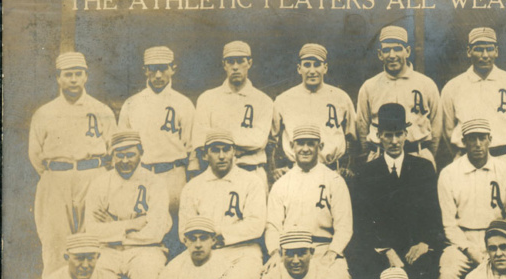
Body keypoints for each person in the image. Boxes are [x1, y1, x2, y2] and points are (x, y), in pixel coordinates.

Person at [29, 52, 116, 276]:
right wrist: (56, 174)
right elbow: (35, 154)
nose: (74, 79)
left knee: (92, 237)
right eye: (68, 75)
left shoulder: (101, 110)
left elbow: (113, 149)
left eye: (79, 74)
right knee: (55, 240)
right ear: (58, 78)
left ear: (86, 76)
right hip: (56, 179)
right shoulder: (45, 113)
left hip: (93, 175)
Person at [353, 103, 443, 279]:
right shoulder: (367, 173)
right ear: (379, 136)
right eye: (388, 135)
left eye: (399, 134)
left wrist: (424, 243)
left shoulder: (423, 168)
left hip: (415, 251)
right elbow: (363, 222)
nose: (394, 141)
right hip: (381, 252)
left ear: (405, 134)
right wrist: (386, 250)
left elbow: (434, 217)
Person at [437, 119, 506, 279]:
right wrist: (469, 249)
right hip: (461, 242)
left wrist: (499, 245)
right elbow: (449, 225)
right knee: (447, 278)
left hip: (499, 238)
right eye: (472, 139)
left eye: (482, 138)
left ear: (490, 140)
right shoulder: (449, 174)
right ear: (463, 142)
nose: (477, 144)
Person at [266, 124, 352, 279]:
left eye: (310, 144)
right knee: (269, 278)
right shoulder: (282, 184)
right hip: (291, 252)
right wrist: (275, 253)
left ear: (319, 147)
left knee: (339, 275)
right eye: (300, 144)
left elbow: (344, 226)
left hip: (323, 248)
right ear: (292, 146)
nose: (305, 149)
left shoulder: (334, 180)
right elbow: (273, 225)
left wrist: (332, 254)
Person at [84, 130, 171, 279]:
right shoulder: (99, 183)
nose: (125, 161)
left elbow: (155, 232)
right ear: (112, 155)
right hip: (108, 249)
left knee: (148, 273)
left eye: (131, 155)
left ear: (141, 153)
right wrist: (131, 225)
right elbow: (91, 231)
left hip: (146, 249)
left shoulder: (155, 183)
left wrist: (112, 228)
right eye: (119, 155)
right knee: (98, 276)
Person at [118, 46, 195, 251]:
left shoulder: (183, 103)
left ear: (173, 69)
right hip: (142, 175)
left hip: (174, 174)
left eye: (163, 68)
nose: (158, 75)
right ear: (145, 70)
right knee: (143, 232)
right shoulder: (132, 104)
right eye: (153, 69)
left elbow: (191, 147)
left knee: (175, 234)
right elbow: (122, 147)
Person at [440, 27, 506, 188]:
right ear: (469, 51)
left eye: (489, 49)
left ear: (496, 51)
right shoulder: (453, 87)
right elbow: (448, 131)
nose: (485, 55)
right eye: (479, 50)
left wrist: (505, 150)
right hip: (467, 162)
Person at [179, 130, 267, 267]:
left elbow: (256, 225)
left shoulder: (252, 181)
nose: (221, 156)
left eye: (226, 150)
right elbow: (184, 230)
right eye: (215, 151)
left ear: (234, 152)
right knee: (173, 275)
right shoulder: (192, 187)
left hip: (243, 249)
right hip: (204, 251)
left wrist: (221, 234)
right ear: (205, 155)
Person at [270, 43, 357, 180]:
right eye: (307, 65)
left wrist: (348, 167)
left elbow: (352, 137)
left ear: (325, 68)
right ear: (299, 68)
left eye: (317, 64)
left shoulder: (341, 97)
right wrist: (275, 168)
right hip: (295, 172)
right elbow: (271, 140)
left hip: (333, 171)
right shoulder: (283, 100)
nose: (312, 70)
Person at [357, 26, 441, 167]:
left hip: (417, 154)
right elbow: (362, 127)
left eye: (397, 49)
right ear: (380, 54)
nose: (392, 55)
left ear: (407, 51)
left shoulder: (426, 84)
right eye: (386, 50)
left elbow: (437, 128)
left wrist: (426, 153)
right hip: (380, 157)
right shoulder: (369, 86)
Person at [191, 41, 273, 184]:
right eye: (230, 62)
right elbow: (199, 139)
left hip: (252, 171)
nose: (235, 67)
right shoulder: (207, 98)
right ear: (224, 65)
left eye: (241, 61)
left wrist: (216, 136)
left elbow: (258, 141)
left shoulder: (263, 100)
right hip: (216, 175)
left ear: (249, 63)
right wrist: (241, 142)